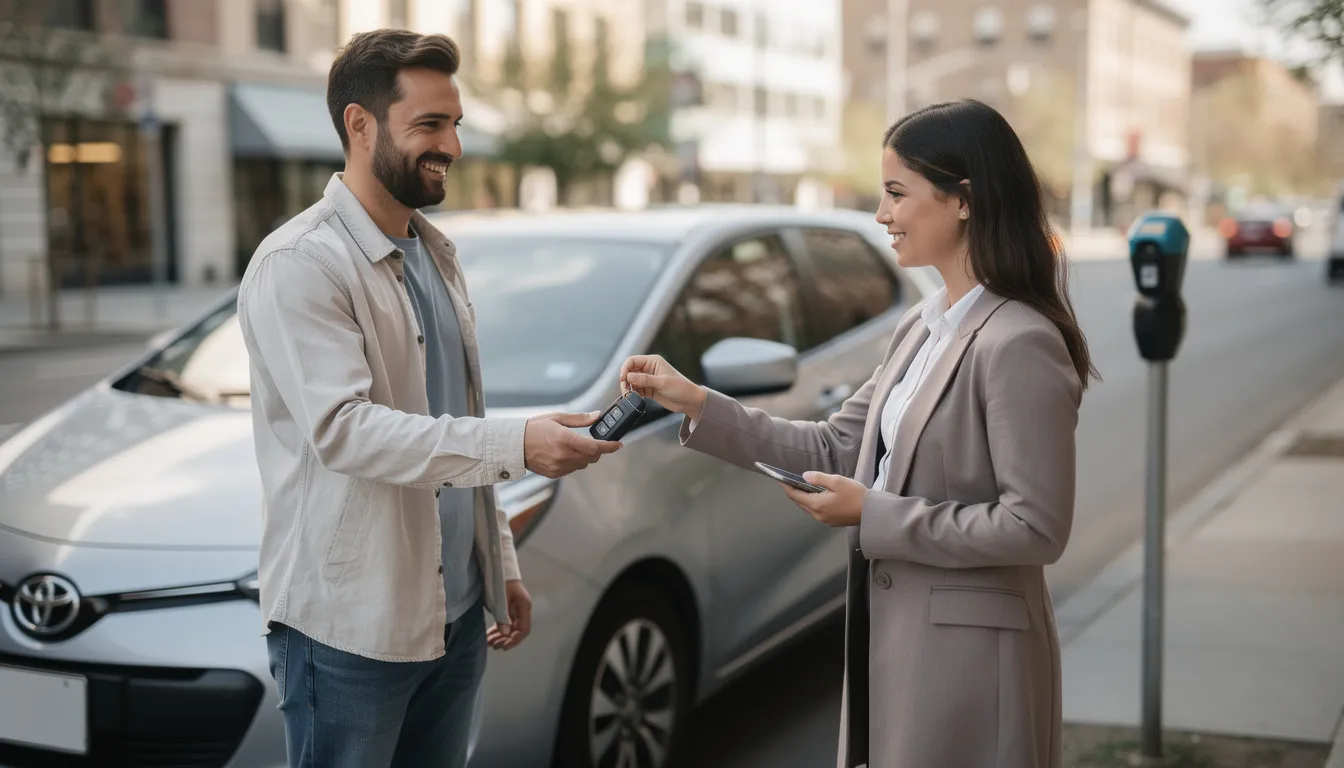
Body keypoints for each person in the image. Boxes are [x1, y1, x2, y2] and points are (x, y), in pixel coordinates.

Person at [620, 99, 1096, 768]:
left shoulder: (1018, 341)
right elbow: (835, 447)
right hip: (895, 646)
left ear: (964, 200)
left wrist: (874, 514)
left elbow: (1036, 527)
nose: (881, 215)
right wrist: (695, 400)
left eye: (897, 194)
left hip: (973, 670)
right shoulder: (924, 324)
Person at [237, 30, 621, 768]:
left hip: (452, 616)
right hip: (351, 631)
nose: (453, 145)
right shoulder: (300, 263)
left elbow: (457, 418)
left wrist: (498, 559)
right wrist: (521, 444)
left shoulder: (435, 253)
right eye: (430, 126)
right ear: (360, 124)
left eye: (455, 124)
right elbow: (346, 431)